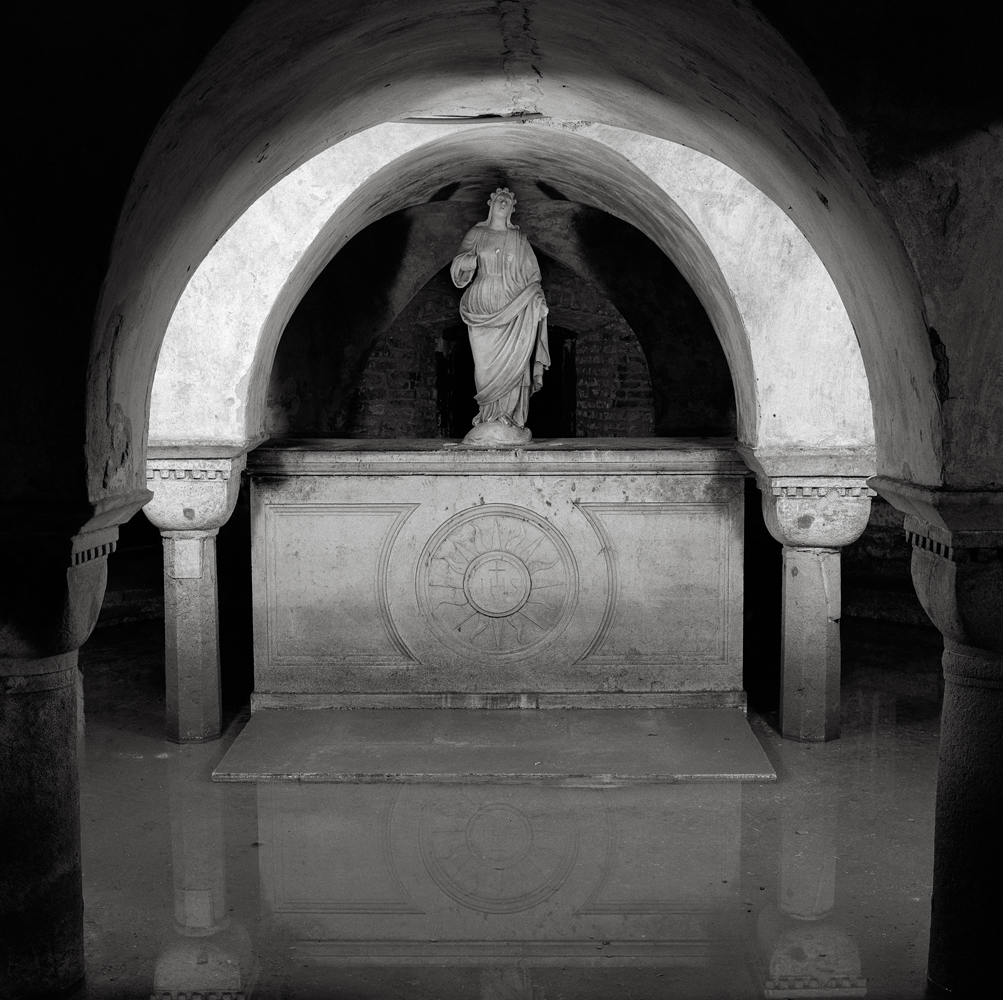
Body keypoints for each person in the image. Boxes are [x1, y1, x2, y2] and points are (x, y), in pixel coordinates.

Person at [450, 187, 550, 445]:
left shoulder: (519, 239)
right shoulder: (477, 233)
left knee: (515, 365)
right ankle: (487, 416)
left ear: (512, 209)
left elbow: (534, 277)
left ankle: (509, 418)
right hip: (482, 305)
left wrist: (536, 298)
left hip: (514, 306)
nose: (503, 203)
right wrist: (466, 263)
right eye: (499, 199)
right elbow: (458, 265)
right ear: (491, 204)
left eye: (508, 201)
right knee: (484, 368)